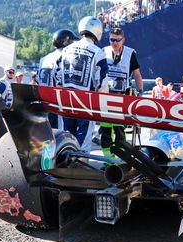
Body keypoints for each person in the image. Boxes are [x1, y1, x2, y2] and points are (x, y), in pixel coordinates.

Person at [57, 16, 109, 154]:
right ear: (98, 31)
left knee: (67, 136)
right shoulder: (98, 52)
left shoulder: (66, 49)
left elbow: (57, 75)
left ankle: (64, 163)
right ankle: (79, 165)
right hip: (86, 102)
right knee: (83, 141)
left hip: (66, 100)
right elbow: (102, 83)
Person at [100, 27, 143, 161]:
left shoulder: (130, 53)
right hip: (106, 96)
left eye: (118, 40)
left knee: (119, 129)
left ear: (123, 40)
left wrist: (140, 93)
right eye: (112, 40)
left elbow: (137, 74)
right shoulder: (104, 51)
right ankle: (108, 161)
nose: (115, 43)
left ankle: (122, 159)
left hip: (121, 96)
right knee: (106, 130)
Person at [37, 29, 79, 130]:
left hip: (43, 102)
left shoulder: (44, 58)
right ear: (66, 42)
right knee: (59, 133)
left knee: (45, 133)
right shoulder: (66, 57)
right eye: (72, 41)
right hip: (57, 102)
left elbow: (38, 79)